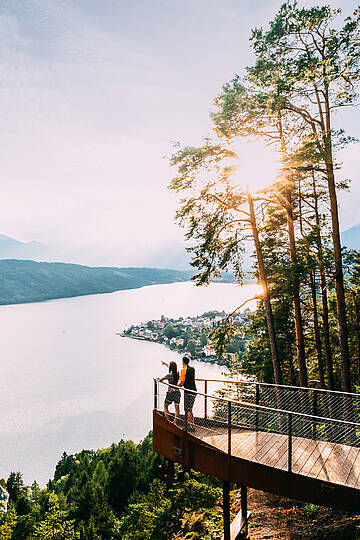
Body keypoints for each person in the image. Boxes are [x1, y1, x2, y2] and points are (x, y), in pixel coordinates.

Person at [178, 355, 197, 431]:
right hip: (194, 390)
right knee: (190, 409)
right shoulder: (192, 369)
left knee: (187, 409)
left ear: (183, 362)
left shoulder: (183, 370)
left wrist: (175, 386)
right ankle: (192, 425)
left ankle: (189, 426)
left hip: (188, 391)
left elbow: (182, 383)